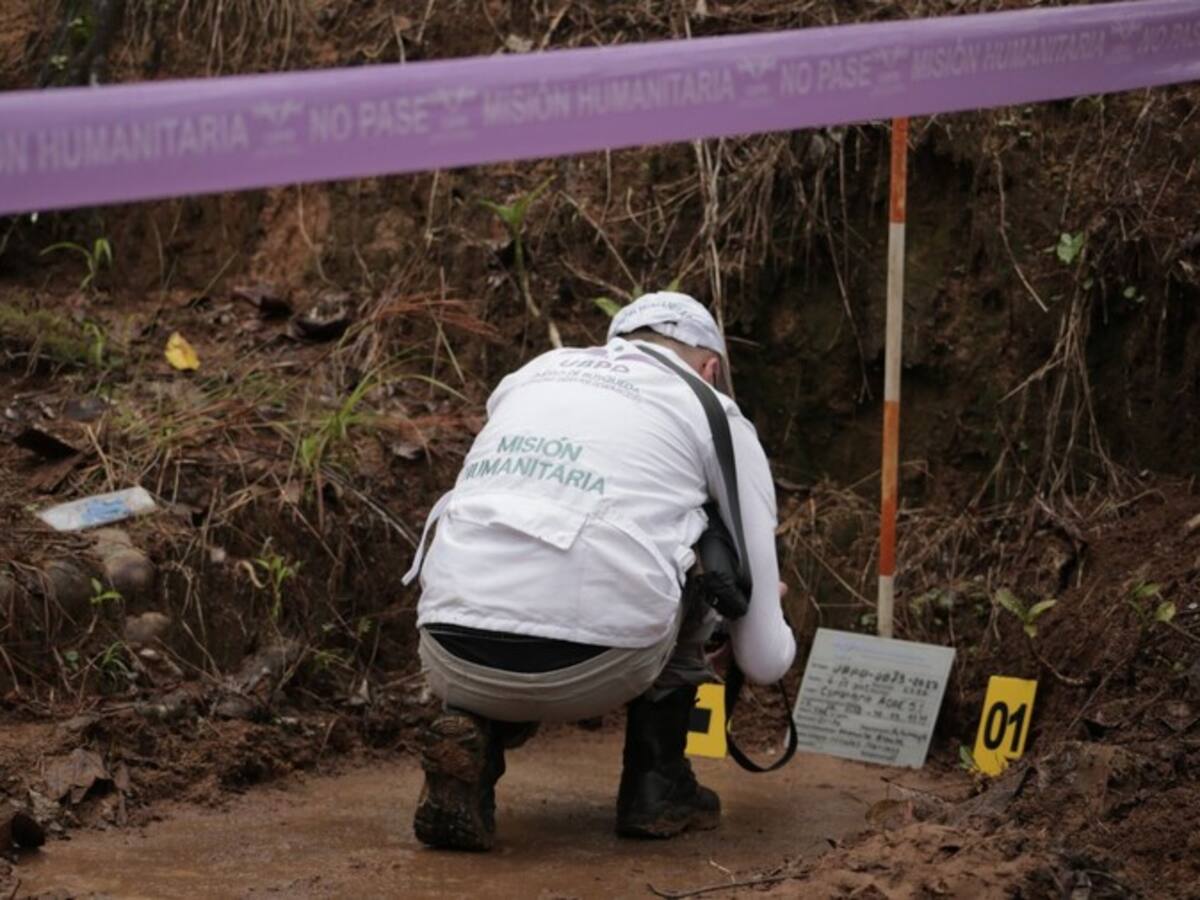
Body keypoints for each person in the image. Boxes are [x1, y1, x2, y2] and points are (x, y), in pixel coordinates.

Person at [401, 290, 796, 851]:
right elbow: (763, 658)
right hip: (595, 666)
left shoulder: (534, 375)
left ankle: (474, 739)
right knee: (705, 553)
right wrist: (753, 614)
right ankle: (657, 787)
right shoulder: (714, 411)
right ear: (711, 367)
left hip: (448, 653)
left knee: (499, 559)